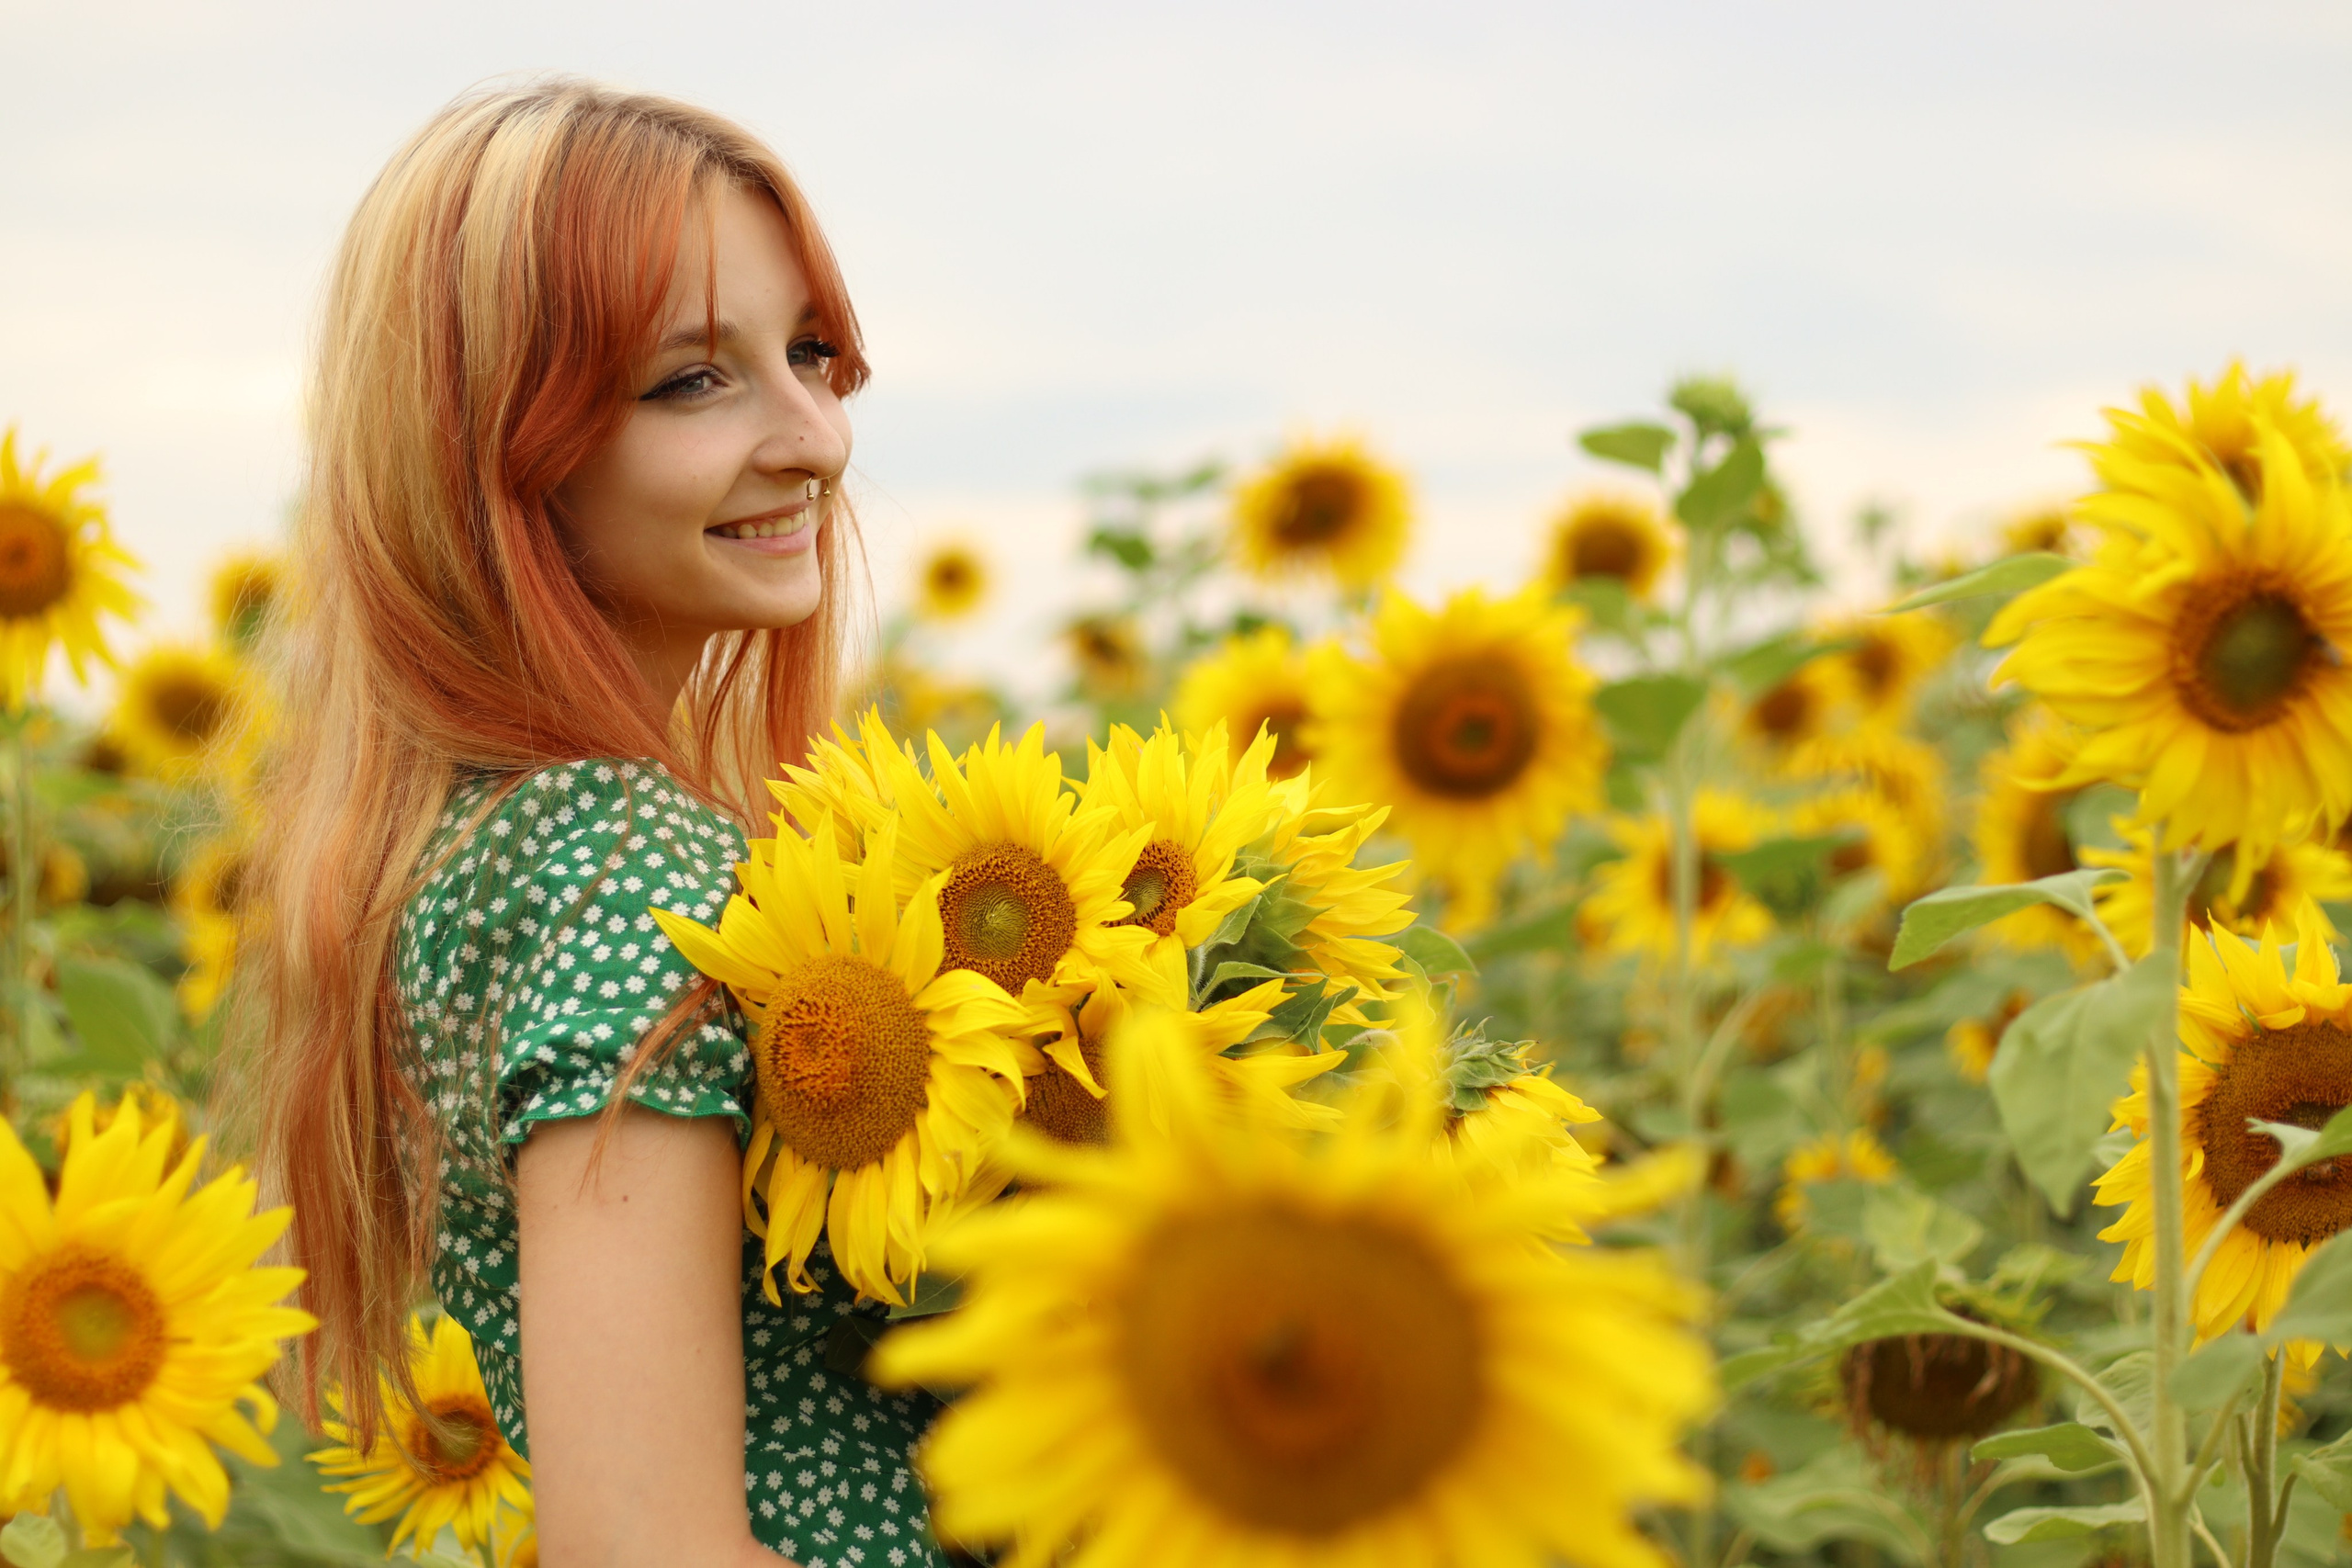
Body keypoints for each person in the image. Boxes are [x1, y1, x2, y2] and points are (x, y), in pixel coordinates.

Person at [241, 77, 948, 1567]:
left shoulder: (483, 843)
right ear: (505, 451)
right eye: (695, 380)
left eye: (811, 355)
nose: (816, 437)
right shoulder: (620, 868)